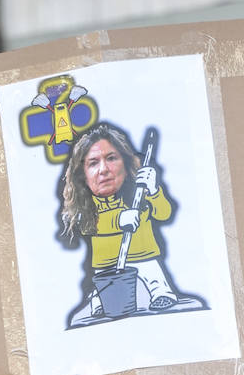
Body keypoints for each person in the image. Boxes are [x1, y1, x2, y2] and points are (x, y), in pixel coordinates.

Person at [60, 122, 201, 325]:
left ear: (126, 164)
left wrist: (153, 191)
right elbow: (87, 226)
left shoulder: (139, 193)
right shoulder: (85, 206)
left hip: (144, 256)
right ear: (82, 173)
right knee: (102, 291)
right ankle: (98, 302)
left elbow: (164, 214)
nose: (103, 170)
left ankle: (162, 293)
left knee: (154, 277)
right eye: (93, 163)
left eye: (111, 158)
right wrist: (119, 220)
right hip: (106, 266)